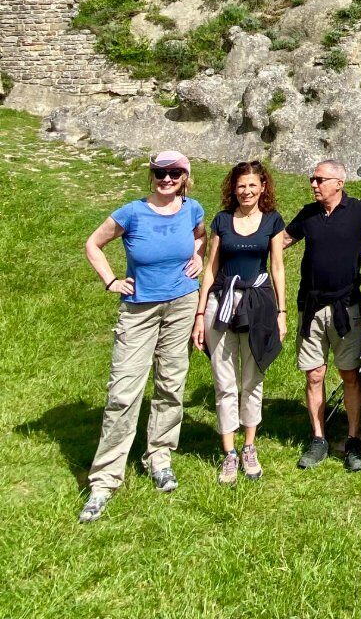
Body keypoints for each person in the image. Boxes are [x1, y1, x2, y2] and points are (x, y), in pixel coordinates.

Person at [78, 150, 206, 523]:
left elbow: (201, 237)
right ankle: (104, 480)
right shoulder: (132, 212)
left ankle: (160, 456)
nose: (167, 179)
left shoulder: (193, 208)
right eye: (161, 173)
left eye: (175, 173)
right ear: (152, 176)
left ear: (185, 176)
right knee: (123, 393)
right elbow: (93, 244)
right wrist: (112, 281)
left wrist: (199, 256)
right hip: (139, 309)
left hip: (182, 303)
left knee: (171, 384)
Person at [283, 160, 361, 472]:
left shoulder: (359, 211)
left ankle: (352, 440)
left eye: (319, 179)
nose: (313, 184)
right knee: (314, 374)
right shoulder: (308, 214)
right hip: (310, 307)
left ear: (338, 182)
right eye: (313, 178)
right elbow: (279, 241)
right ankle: (318, 438)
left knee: (349, 373)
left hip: (346, 307)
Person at [192, 161, 287, 484]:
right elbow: (210, 269)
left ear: (263, 188)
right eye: (240, 185)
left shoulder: (272, 221)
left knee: (252, 378)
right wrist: (200, 313)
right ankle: (229, 453)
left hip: (258, 304)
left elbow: (277, 267)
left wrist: (282, 312)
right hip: (223, 303)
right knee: (224, 381)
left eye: (252, 185)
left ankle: (249, 446)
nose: (246, 191)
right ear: (233, 188)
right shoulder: (221, 220)